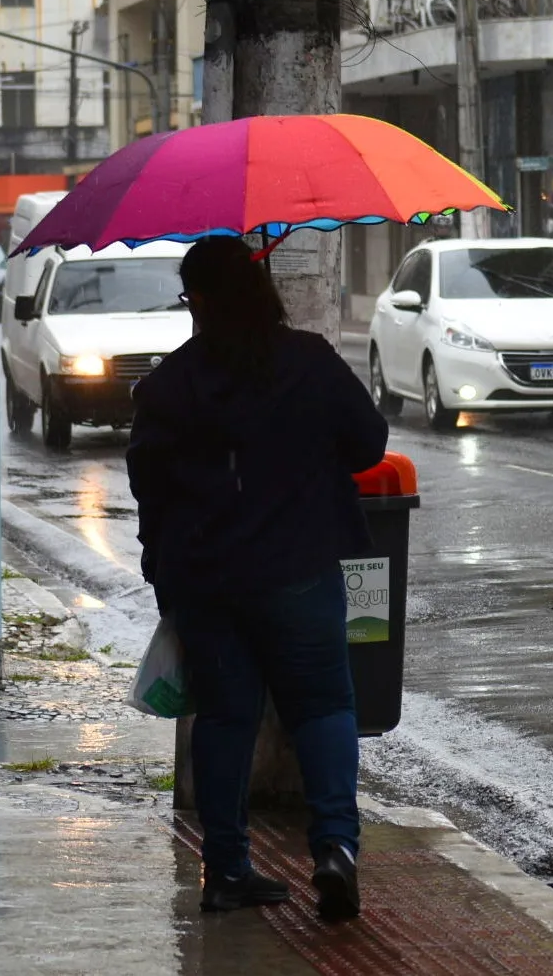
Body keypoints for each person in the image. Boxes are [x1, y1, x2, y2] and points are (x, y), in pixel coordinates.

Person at [127, 237, 389, 921]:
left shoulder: (167, 386)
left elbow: (149, 492)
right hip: (298, 567)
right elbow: (368, 443)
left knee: (224, 716)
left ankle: (227, 868)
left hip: (207, 582)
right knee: (325, 706)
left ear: (203, 302)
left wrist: (166, 578)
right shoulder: (308, 362)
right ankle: (334, 848)